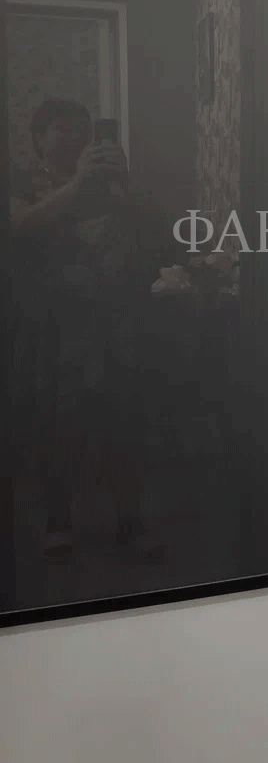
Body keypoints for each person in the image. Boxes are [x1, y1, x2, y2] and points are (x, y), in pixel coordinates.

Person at [10, 98, 170, 563]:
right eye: (61, 129)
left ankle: (131, 520)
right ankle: (58, 521)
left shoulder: (110, 182)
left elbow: (159, 232)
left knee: (124, 423)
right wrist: (77, 183)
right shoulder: (22, 181)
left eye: (82, 129)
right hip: (55, 327)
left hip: (116, 324)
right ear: (38, 138)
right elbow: (19, 226)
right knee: (58, 427)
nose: (75, 138)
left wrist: (123, 186)